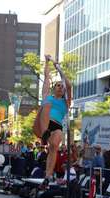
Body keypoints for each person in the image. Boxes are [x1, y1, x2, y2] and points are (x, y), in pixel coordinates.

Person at [34, 55, 72, 186]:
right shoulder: (47, 96)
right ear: (53, 88)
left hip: (56, 126)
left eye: (62, 86)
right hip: (43, 123)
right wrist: (47, 62)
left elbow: (69, 84)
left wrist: (58, 67)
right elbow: (46, 77)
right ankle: (45, 133)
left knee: (54, 147)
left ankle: (47, 175)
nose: (61, 87)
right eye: (58, 85)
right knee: (46, 104)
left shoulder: (66, 102)